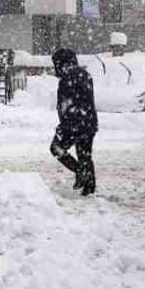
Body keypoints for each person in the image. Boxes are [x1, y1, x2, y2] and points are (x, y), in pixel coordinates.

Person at [51, 48, 99, 196]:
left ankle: (80, 171)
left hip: (74, 124)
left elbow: (66, 106)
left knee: (56, 148)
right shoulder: (84, 75)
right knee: (85, 155)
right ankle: (89, 189)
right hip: (89, 122)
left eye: (56, 64)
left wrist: (63, 126)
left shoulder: (67, 78)